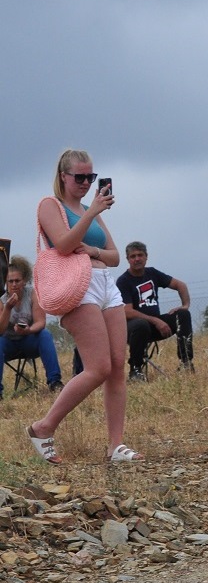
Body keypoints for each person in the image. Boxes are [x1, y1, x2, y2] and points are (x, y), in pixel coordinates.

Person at [27, 149, 140, 464]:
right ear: (63, 176)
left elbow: (114, 256)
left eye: (91, 176)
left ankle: (116, 445)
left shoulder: (92, 208)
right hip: (78, 286)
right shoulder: (50, 205)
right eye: (80, 177)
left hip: (106, 284)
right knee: (98, 367)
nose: (86, 183)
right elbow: (63, 244)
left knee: (117, 365)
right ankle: (43, 426)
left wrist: (93, 249)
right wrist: (91, 216)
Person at [116, 241, 194, 379]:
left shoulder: (152, 273)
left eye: (140, 255)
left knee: (183, 315)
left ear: (146, 257)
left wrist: (185, 305)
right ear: (127, 259)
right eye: (133, 256)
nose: (137, 259)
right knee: (141, 324)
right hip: (134, 329)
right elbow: (127, 311)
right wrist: (155, 320)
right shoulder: (123, 281)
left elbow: (180, 285)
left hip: (157, 327)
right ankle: (135, 370)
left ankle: (186, 362)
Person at [0, 256, 65, 397]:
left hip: (28, 340)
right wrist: (7, 308)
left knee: (45, 335)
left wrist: (28, 330)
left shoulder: (32, 294)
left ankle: (55, 382)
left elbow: (40, 322)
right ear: (6, 282)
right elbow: (0, 330)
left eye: (17, 281)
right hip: (8, 342)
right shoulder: (2, 300)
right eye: (10, 281)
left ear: (24, 281)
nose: (14, 284)